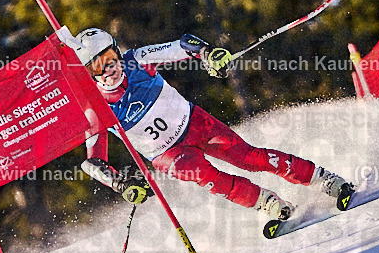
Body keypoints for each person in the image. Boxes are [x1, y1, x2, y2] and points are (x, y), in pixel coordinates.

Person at [72, 28, 351, 221]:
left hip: (195, 123)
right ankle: (269, 204)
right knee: (212, 179)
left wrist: (207, 54)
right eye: (96, 67)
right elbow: (92, 162)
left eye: (109, 58)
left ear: (117, 53)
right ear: (88, 76)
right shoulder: (97, 108)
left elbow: (181, 46)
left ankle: (324, 180)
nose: (108, 70)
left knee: (250, 158)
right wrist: (120, 184)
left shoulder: (137, 60)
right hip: (170, 156)